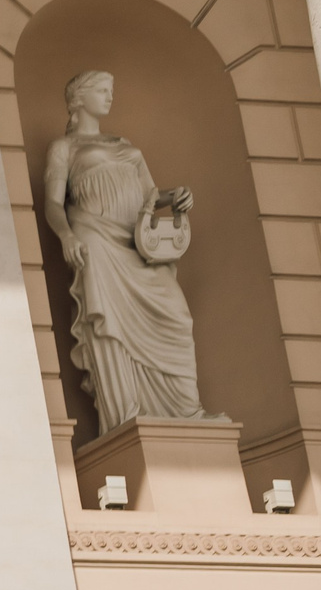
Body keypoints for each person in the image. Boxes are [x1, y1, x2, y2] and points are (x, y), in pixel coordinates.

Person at [44, 68, 219, 434]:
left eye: (111, 90)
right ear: (79, 99)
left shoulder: (124, 143)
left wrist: (176, 197)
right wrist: (67, 237)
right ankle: (125, 417)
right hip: (96, 240)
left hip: (139, 245)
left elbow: (150, 196)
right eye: (103, 91)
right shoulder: (65, 148)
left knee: (177, 317)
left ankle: (186, 412)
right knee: (109, 325)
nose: (110, 97)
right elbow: (53, 204)